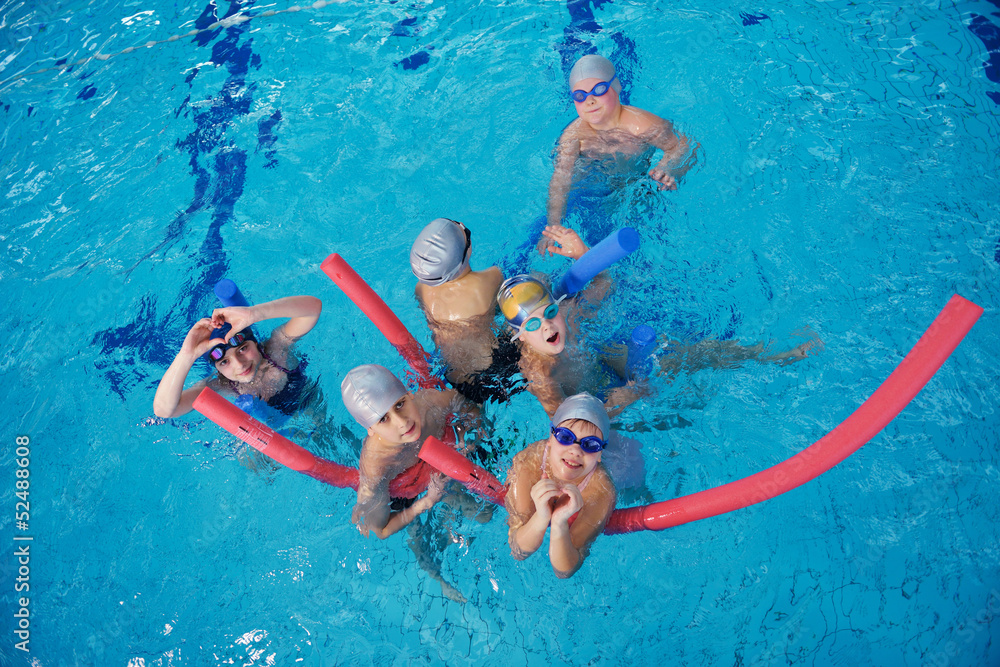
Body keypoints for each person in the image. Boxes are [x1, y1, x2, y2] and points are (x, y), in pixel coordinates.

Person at [341, 364, 487, 601]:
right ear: (370, 429)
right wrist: (426, 502)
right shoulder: (377, 465)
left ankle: (451, 517)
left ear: (409, 394)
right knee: (421, 543)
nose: (402, 422)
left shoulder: (434, 403)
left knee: (485, 514)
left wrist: (466, 442)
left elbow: (475, 416)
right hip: (408, 491)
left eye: (400, 404)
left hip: (445, 462)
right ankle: (439, 582)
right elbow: (380, 530)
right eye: (383, 419)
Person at [542, 54, 695, 250]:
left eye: (598, 90)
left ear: (616, 87)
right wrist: (555, 224)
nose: (590, 101)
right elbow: (560, 180)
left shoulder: (642, 124)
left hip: (637, 187)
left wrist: (669, 168)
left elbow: (684, 144)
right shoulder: (573, 136)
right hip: (592, 187)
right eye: (580, 95)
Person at [153, 295, 322, 419]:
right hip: (273, 428)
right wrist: (186, 355)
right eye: (224, 361)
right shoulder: (221, 385)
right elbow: (165, 410)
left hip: (309, 401)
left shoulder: (277, 348)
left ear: (255, 343)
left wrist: (254, 314)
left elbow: (313, 308)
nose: (240, 365)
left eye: (242, 349)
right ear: (217, 368)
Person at [505, 393, 617, 578]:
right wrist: (541, 517)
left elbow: (565, 571)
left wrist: (559, 524)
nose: (575, 450)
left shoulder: (601, 490)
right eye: (565, 437)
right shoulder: (528, 463)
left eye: (590, 444)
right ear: (550, 438)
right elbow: (517, 551)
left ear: (599, 455)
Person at [410, 218, 517, 404]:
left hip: (451, 376)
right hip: (492, 374)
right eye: (466, 234)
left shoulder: (421, 289)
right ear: (468, 251)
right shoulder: (490, 278)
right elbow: (503, 308)